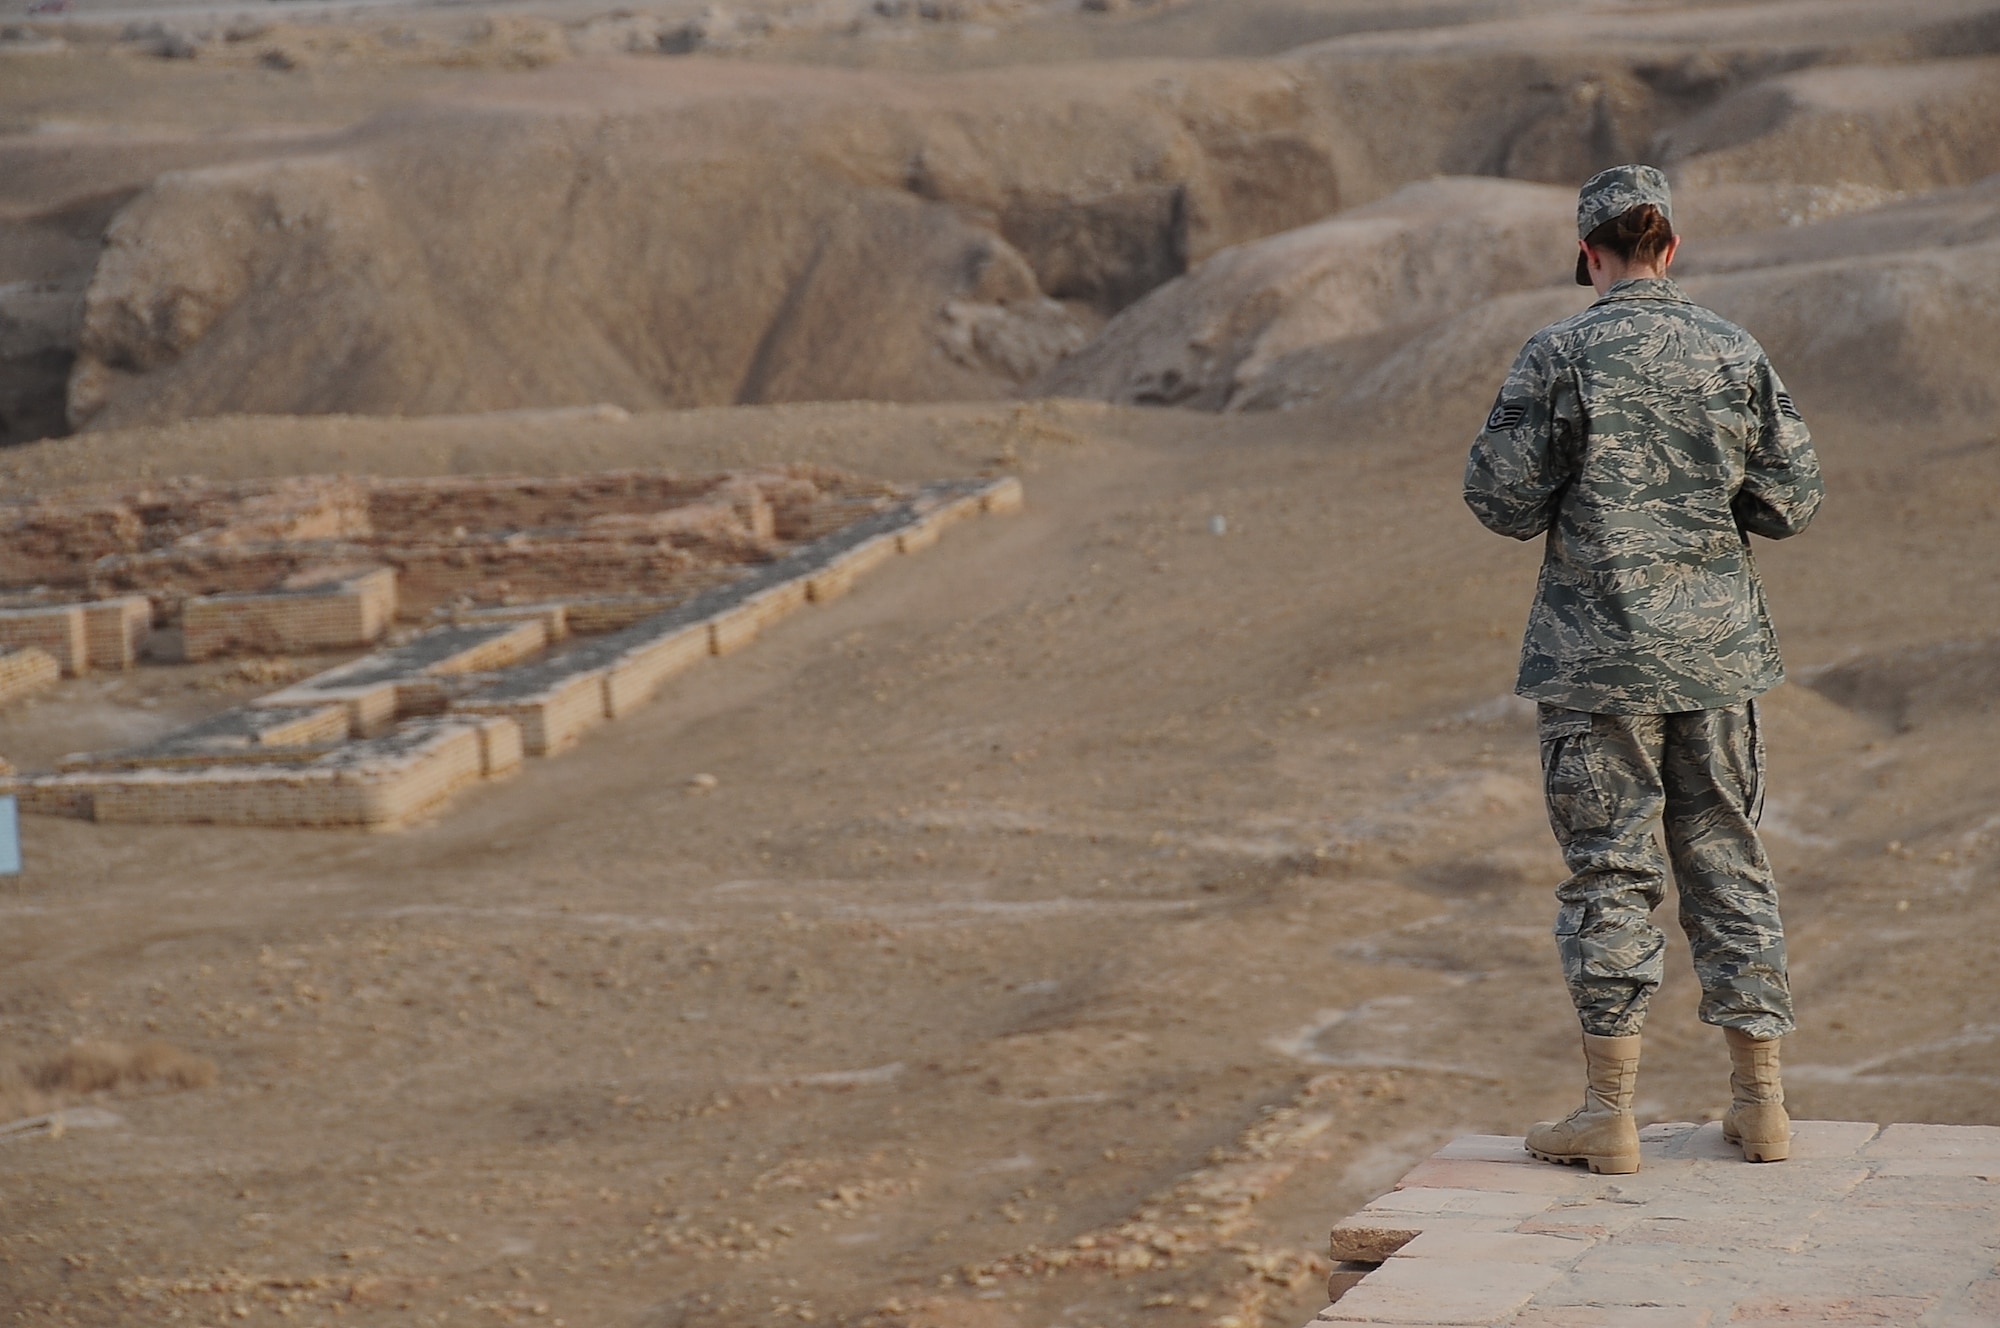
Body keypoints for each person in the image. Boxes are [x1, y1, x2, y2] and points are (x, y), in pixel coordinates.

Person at [1463, 164, 1824, 1175]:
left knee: (1609, 874)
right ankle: (1760, 1106)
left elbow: (1496, 498)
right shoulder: (1731, 350)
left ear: (1589, 254)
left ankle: (1607, 1114)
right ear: (1670, 246)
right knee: (1726, 857)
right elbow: (1791, 500)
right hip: (1715, 660)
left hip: (1594, 664)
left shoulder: (1559, 353)